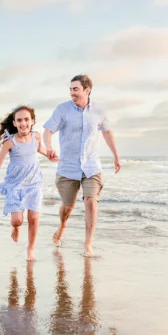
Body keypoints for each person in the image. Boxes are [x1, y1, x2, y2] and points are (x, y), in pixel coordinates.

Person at [43, 75, 121, 257]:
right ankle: (62, 226)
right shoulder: (62, 110)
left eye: (75, 89)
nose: (72, 93)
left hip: (91, 166)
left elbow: (107, 132)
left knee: (91, 203)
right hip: (68, 167)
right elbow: (48, 130)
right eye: (70, 89)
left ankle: (88, 245)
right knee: (68, 207)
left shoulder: (99, 110)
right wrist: (48, 146)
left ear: (87, 90)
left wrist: (116, 156)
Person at [0, 105, 51, 262]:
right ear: (14, 123)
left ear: (32, 121)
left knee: (33, 218)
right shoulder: (10, 142)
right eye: (19, 120)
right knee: (17, 220)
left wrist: (53, 156)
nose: (23, 123)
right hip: (15, 185)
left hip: (34, 183)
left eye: (26, 119)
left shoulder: (37, 137)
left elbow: (41, 150)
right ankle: (15, 228)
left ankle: (31, 248)